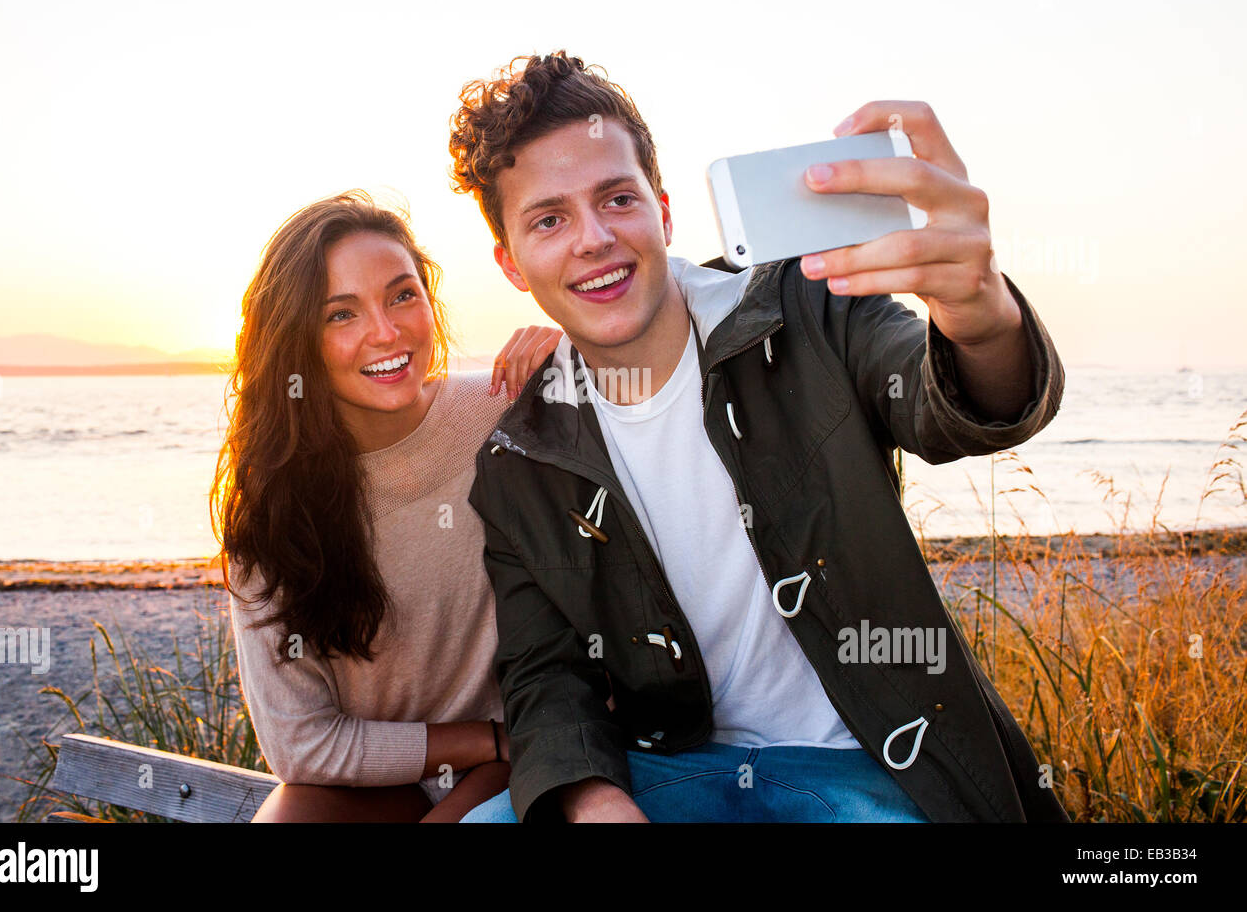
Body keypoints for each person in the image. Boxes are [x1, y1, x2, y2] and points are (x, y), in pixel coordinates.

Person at [447, 52, 1071, 822]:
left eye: (616, 198)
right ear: (511, 263)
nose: (594, 238)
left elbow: (957, 405)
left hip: (873, 765)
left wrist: (978, 312)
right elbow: (547, 679)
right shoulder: (520, 460)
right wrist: (594, 801)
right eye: (549, 219)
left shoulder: (803, 308)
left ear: (664, 209)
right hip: (672, 769)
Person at [211, 190, 559, 821]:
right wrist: (480, 739)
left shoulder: (502, 411)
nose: (385, 331)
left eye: (402, 294)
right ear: (297, 344)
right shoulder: (273, 504)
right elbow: (298, 743)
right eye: (340, 315)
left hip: (525, 759)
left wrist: (576, 353)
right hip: (382, 780)